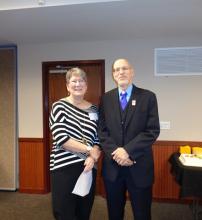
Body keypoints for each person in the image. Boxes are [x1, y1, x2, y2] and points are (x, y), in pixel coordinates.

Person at [98, 58, 160, 220]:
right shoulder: (106, 99)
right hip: (113, 167)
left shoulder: (148, 97)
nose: (121, 72)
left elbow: (152, 131)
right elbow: (102, 131)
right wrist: (116, 153)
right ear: (113, 74)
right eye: (117, 70)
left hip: (139, 166)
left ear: (132, 72)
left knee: (142, 213)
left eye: (124, 68)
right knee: (114, 212)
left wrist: (127, 151)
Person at [49, 67, 101, 220]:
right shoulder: (59, 106)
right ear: (67, 86)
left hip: (88, 166)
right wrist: (89, 150)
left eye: (81, 81)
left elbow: (97, 138)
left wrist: (92, 157)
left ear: (86, 85)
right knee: (65, 212)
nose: (78, 84)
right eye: (74, 81)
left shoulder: (94, 109)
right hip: (64, 167)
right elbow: (61, 138)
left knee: (84, 211)